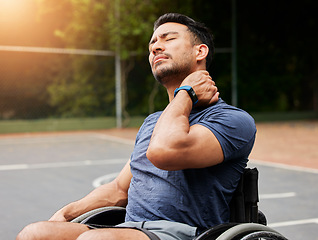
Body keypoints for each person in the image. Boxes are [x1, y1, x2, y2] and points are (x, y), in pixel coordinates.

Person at [16, 13, 256, 240]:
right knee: (35, 233)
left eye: (169, 39)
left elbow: (163, 152)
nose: (155, 47)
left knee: (94, 239)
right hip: (128, 229)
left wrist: (186, 92)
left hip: (185, 233)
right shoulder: (154, 122)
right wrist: (67, 214)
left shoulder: (232, 120)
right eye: (152, 44)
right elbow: (120, 189)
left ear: (200, 51)